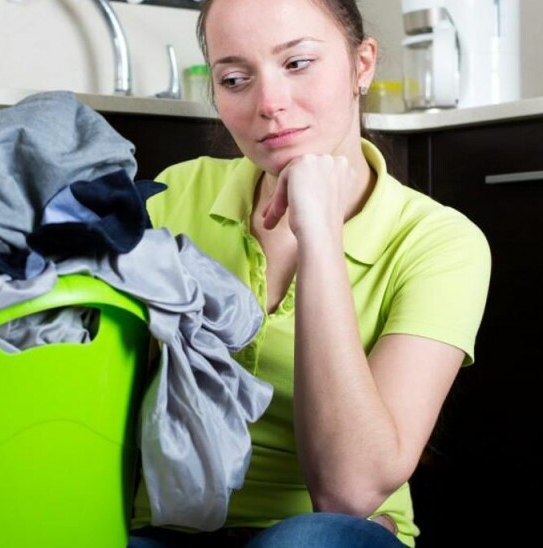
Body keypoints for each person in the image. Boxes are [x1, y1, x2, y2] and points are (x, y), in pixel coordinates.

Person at [128, 0, 491, 546]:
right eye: (234, 78)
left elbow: (348, 495)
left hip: (329, 531)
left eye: (297, 63)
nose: (269, 104)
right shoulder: (175, 196)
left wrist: (320, 234)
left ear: (361, 66)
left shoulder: (439, 242)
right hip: (168, 529)